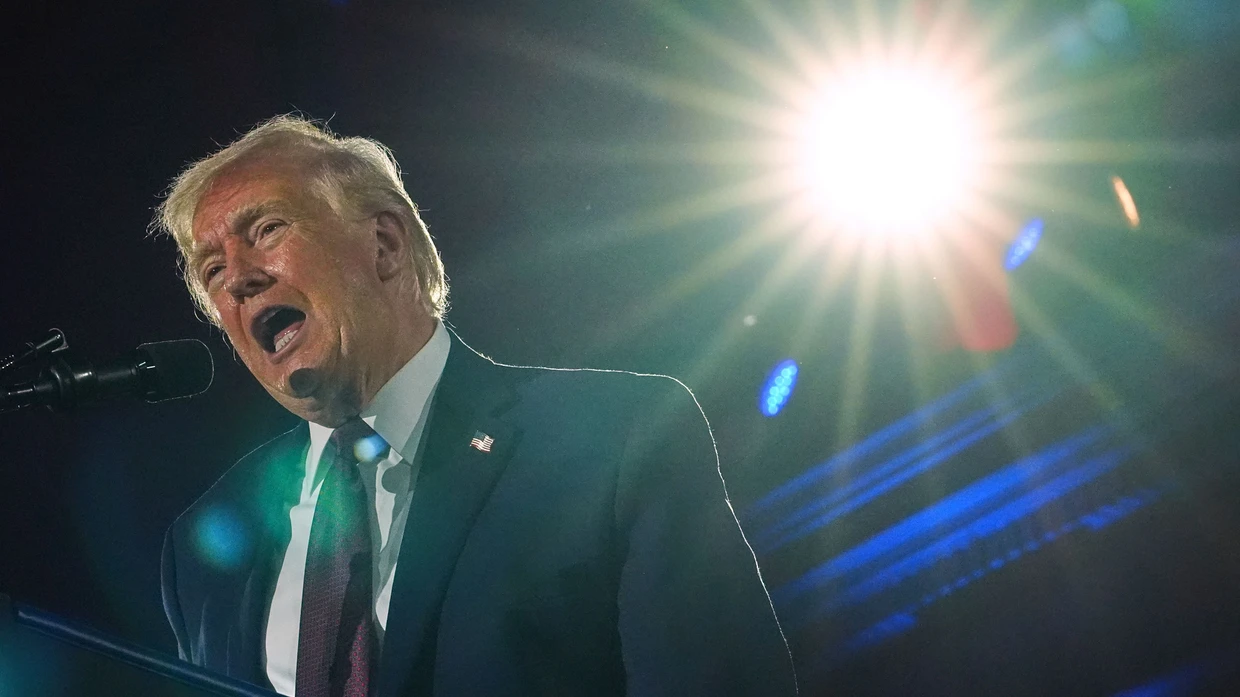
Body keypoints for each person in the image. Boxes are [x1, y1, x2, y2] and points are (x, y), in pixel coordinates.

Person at [155, 115, 798, 697]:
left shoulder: (612, 440)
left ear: (384, 244)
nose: (237, 278)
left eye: (266, 230)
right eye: (211, 271)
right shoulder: (203, 547)